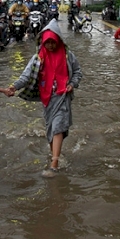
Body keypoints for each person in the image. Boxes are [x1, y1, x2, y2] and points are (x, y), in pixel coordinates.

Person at [8, 20, 82, 178]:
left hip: (63, 96)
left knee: (57, 127)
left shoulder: (68, 56)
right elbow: (26, 76)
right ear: (42, 42)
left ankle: (54, 163)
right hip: (47, 98)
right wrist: (14, 86)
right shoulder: (37, 58)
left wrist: (72, 84)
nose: (50, 46)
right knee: (50, 128)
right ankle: (55, 154)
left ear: (58, 41)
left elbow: (77, 72)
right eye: (47, 43)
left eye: (53, 42)